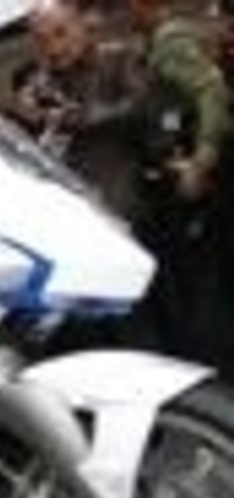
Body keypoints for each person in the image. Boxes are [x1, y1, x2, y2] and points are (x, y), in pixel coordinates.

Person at [127, 0, 232, 364]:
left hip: (192, 186)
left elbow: (213, 92)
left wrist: (200, 162)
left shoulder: (170, 40)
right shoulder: (156, 42)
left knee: (198, 283)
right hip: (175, 180)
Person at [11, 0, 141, 218]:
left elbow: (141, 108)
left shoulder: (118, 59)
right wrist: (29, 118)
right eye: (42, 40)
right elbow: (35, 141)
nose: (54, 48)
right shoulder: (39, 81)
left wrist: (81, 117)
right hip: (71, 197)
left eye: (61, 33)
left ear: (80, 25)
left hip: (119, 185)